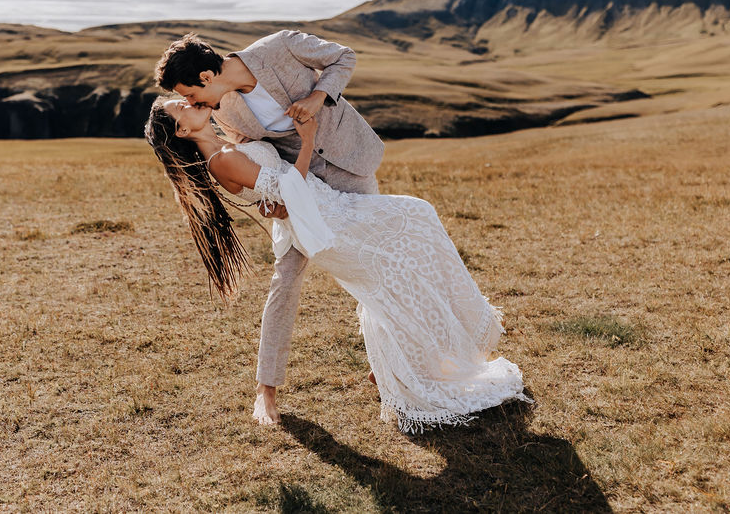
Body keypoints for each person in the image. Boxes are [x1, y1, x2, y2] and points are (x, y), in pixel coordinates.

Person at [144, 95, 532, 433]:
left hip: (330, 208)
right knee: (417, 217)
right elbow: (289, 190)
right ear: (180, 132)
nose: (186, 102)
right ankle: (434, 352)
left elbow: (272, 192)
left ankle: (401, 367)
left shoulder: (228, 144)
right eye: (179, 107)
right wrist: (308, 140)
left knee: (401, 259)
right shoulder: (222, 159)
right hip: (326, 225)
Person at [154, 29, 384, 425]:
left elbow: (344, 56)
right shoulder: (219, 110)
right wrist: (267, 199)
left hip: (350, 161)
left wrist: (317, 97)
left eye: (189, 95)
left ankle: (384, 363)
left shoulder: (280, 46)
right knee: (286, 279)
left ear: (206, 78)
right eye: (186, 102)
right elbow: (245, 150)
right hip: (298, 188)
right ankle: (266, 389)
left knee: (374, 263)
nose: (190, 102)